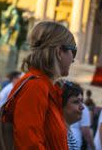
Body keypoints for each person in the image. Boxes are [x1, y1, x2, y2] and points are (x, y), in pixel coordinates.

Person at [6, 20, 77, 149]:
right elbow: (29, 144)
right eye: (74, 51)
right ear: (59, 51)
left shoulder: (46, 87)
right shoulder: (35, 87)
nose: (73, 59)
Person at [61, 81, 87, 150]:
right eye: (76, 102)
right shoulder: (60, 135)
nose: (82, 107)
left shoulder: (67, 133)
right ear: (61, 104)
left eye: (82, 101)